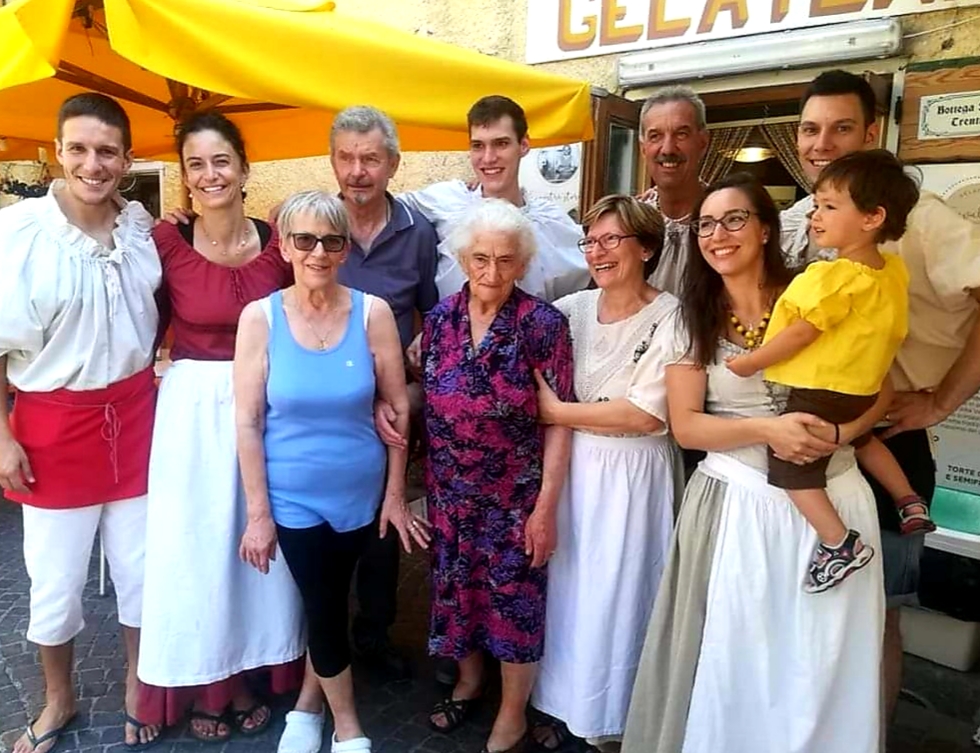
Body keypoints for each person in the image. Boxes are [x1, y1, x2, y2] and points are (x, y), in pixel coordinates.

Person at [622, 173, 886, 753]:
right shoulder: (690, 319)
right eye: (707, 225)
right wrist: (769, 429)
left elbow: (880, 385)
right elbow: (687, 426)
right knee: (737, 662)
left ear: (767, 228)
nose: (719, 235)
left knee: (824, 663)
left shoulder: (821, 292)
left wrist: (844, 431)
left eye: (735, 219)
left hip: (835, 506)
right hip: (738, 508)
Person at [780, 69, 980, 721]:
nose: (822, 142)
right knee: (797, 606)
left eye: (842, 127)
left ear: (873, 131)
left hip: (889, 436)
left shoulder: (923, 217)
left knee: (874, 615)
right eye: (811, 129)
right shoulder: (799, 219)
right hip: (801, 436)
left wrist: (942, 400)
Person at [235, 190, 430, 753]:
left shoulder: (371, 314)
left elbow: (397, 411)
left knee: (330, 600)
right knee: (321, 605)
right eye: (305, 239)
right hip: (292, 497)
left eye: (332, 240)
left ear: (346, 248)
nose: (318, 251)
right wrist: (258, 515)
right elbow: (247, 423)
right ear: (285, 246)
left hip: (361, 496)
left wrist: (395, 496)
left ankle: (306, 703)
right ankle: (349, 728)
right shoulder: (260, 319)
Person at [136, 112, 304, 743]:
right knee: (201, 548)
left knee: (262, 543)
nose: (210, 175)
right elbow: (142, 328)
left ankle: (260, 668)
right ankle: (211, 684)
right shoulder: (164, 242)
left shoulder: (279, 241)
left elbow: (304, 316)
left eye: (221, 161)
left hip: (268, 403)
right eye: (195, 164)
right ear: (183, 177)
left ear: (243, 168)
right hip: (192, 412)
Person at [0, 93, 161, 752]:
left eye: (107, 151)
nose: (93, 163)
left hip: (137, 417)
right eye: (80, 149)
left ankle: (137, 683)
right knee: (56, 578)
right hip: (52, 426)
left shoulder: (142, 228)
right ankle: (59, 698)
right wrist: (2, 436)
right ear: (57, 152)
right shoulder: (18, 234)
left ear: (126, 159)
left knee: (142, 569)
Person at [279, 104, 440, 753]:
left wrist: (410, 395)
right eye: (346, 156)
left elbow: (433, 324)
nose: (357, 170)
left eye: (371, 157)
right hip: (321, 413)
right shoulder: (315, 225)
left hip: (390, 413)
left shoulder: (420, 232)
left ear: (393, 164)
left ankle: (371, 642)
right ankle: (325, 666)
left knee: (379, 542)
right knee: (319, 557)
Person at [726, 150, 931, 594]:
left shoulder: (834, 275)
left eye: (829, 207)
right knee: (864, 438)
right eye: (816, 205)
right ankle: (908, 499)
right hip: (862, 389)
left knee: (791, 470)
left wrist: (750, 361)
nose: (815, 216)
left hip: (821, 389)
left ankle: (838, 543)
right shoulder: (890, 271)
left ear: (873, 217)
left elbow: (800, 334)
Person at [530, 195, 685, 752]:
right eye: (590, 241)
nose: (597, 252)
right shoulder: (570, 310)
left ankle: (612, 717)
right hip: (572, 468)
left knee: (619, 593)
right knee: (569, 590)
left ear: (646, 247)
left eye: (610, 240)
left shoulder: (673, 316)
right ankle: (562, 705)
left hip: (631, 475)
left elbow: (645, 413)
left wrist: (556, 412)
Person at [421, 199, 574, 753]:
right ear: (463, 258)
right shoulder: (438, 321)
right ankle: (467, 681)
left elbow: (560, 423)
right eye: (480, 258)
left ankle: (511, 714)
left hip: (514, 500)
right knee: (456, 595)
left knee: (515, 604)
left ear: (523, 262)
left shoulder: (543, 325)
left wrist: (545, 508)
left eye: (505, 260)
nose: (491, 273)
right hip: (450, 496)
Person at [399, 95, 590, 302]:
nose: (488, 158)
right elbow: (382, 209)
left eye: (501, 144)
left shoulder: (552, 222)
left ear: (524, 145)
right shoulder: (447, 200)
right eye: (478, 146)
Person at [637, 85, 709, 296]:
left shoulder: (726, 222)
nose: (667, 148)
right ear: (643, 149)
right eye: (655, 136)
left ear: (703, 142)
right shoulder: (630, 223)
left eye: (681, 134)